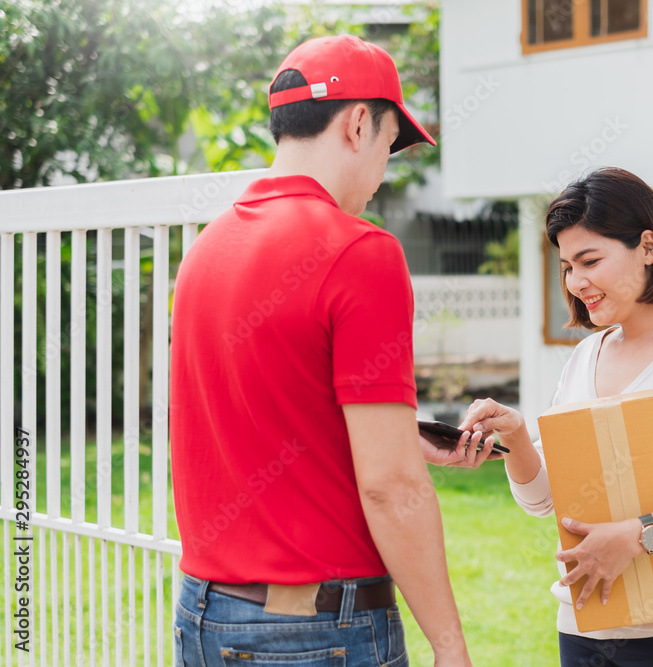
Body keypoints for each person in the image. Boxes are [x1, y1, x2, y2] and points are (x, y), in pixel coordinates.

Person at [170, 35, 481, 667]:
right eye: (390, 148)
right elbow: (391, 488)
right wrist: (450, 646)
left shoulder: (206, 249)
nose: (382, 175)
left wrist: (396, 435)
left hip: (205, 614)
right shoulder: (361, 253)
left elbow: (259, 414)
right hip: (315, 633)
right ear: (359, 123)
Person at [457, 167, 653, 666]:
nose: (576, 281)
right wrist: (518, 439)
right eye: (566, 266)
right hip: (587, 624)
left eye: (590, 260)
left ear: (648, 247)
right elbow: (546, 501)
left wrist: (637, 534)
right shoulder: (585, 357)